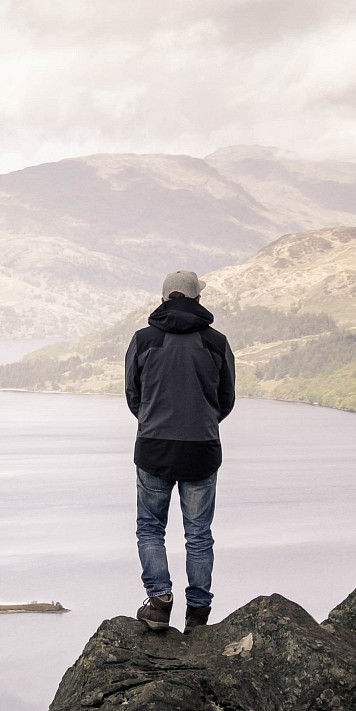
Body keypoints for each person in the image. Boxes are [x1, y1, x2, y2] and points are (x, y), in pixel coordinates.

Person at [124, 269, 236, 632]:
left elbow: (134, 396)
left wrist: (153, 421)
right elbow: (226, 399)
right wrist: (203, 423)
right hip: (201, 449)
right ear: (198, 299)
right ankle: (198, 614)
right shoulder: (216, 342)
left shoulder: (143, 340)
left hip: (154, 448)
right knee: (199, 534)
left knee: (150, 528)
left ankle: (159, 602)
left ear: (163, 299)